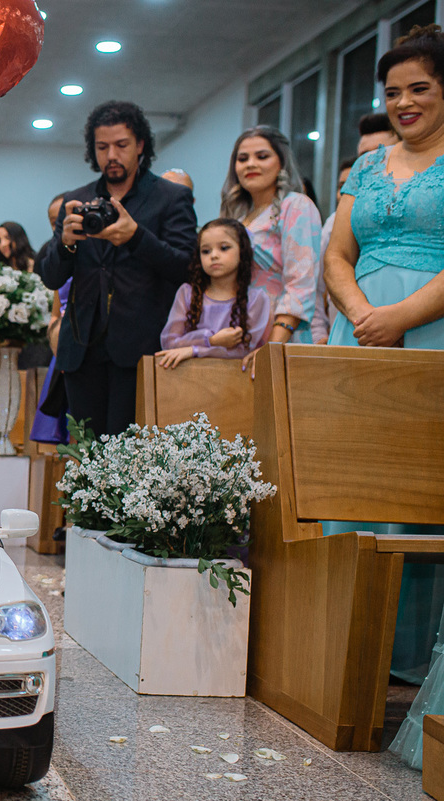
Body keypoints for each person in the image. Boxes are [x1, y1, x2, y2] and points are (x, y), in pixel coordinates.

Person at [323, 25, 444, 770]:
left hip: (431, 332)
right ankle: (345, 652)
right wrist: (363, 311)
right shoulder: (367, 166)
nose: (403, 102)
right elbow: (338, 252)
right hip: (358, 332)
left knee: (418, 491)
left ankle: (412, 660)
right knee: (352, 482)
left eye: (419, 88)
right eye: (393, 91)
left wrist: (400, 317)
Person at [38, 100, 197, 436]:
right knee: (87, 455)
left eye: (121, 145)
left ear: (140, 145)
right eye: (102, 147)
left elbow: (187, 268)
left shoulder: (171, 197)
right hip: (82, 348)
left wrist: (136, 236)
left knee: (131, 455)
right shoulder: (77, 200)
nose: (111, 155)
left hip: (141, 347)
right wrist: (66, 243)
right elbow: (51, 277)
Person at [221, 126, 321, 354]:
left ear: (281, 163)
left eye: (262, 156)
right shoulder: (238, 218)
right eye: (242, 159)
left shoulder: (296, 205)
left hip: (281, 336)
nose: (250, 164)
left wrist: (273, 347)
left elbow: (301, 284)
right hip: (239, 334)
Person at [155, 219, 271, 369]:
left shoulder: (256, 299)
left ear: (242, 251)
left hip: (235, 379)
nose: (214, 255)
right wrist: (211, 340)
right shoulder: (187, 293)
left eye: (224, 248)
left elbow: (244, 351)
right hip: (188, 377)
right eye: (206, 251)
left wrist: (195, 350)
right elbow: (169, 343)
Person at [312, 157, 357, 343]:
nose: (345, 193)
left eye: (354, 185)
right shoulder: (332, 224)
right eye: (341, 187)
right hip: (339, 332)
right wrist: (318, 333)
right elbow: (316, 284)